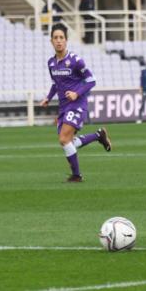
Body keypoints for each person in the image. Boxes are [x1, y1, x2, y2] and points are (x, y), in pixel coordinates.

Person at [40, 23, 111, 182]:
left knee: (64, 139)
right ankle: (99, 135)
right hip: (64, 107)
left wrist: (76, 93)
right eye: (55, 38)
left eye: (61, 38)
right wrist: (48, 98)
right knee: (69, 142)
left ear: (66, 41)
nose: (58, 41)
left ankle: (77, 175)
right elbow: (55, 84)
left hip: (77, 104)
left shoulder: (75, 61)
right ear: (51, 41)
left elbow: (91, 81)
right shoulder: (51, 63)